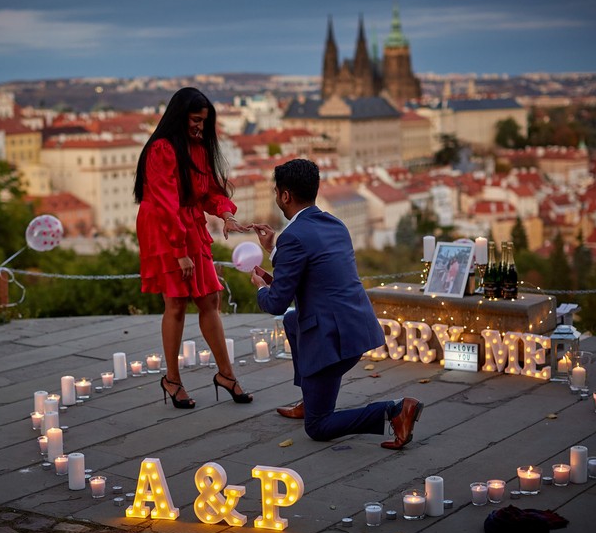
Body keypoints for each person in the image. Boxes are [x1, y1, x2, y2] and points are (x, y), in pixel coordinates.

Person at [250, 159, 423, 448]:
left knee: (318, 427)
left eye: (276, 191)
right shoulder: (333, 223)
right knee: (293, 321)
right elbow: (316, 276)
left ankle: (394, 410)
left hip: (331, 340)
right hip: (357, 327)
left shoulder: (292, 237)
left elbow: (277, 303)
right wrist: (274, 252)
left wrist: (260, 289)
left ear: (285, 196)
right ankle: (310, 398)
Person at [134, 87, 253, 409]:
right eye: (195, 120)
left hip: (188, 221)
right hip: (163, 224)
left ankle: (225, 374)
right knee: (175, 302)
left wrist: (227, 214)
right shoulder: (162, 148)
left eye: (204, 121)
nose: (200, 127)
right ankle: (172, 380)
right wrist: (179, 250)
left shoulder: (198, 148)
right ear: (179, 116)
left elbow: (208, 193)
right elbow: (163, 202)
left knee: (209, 297)